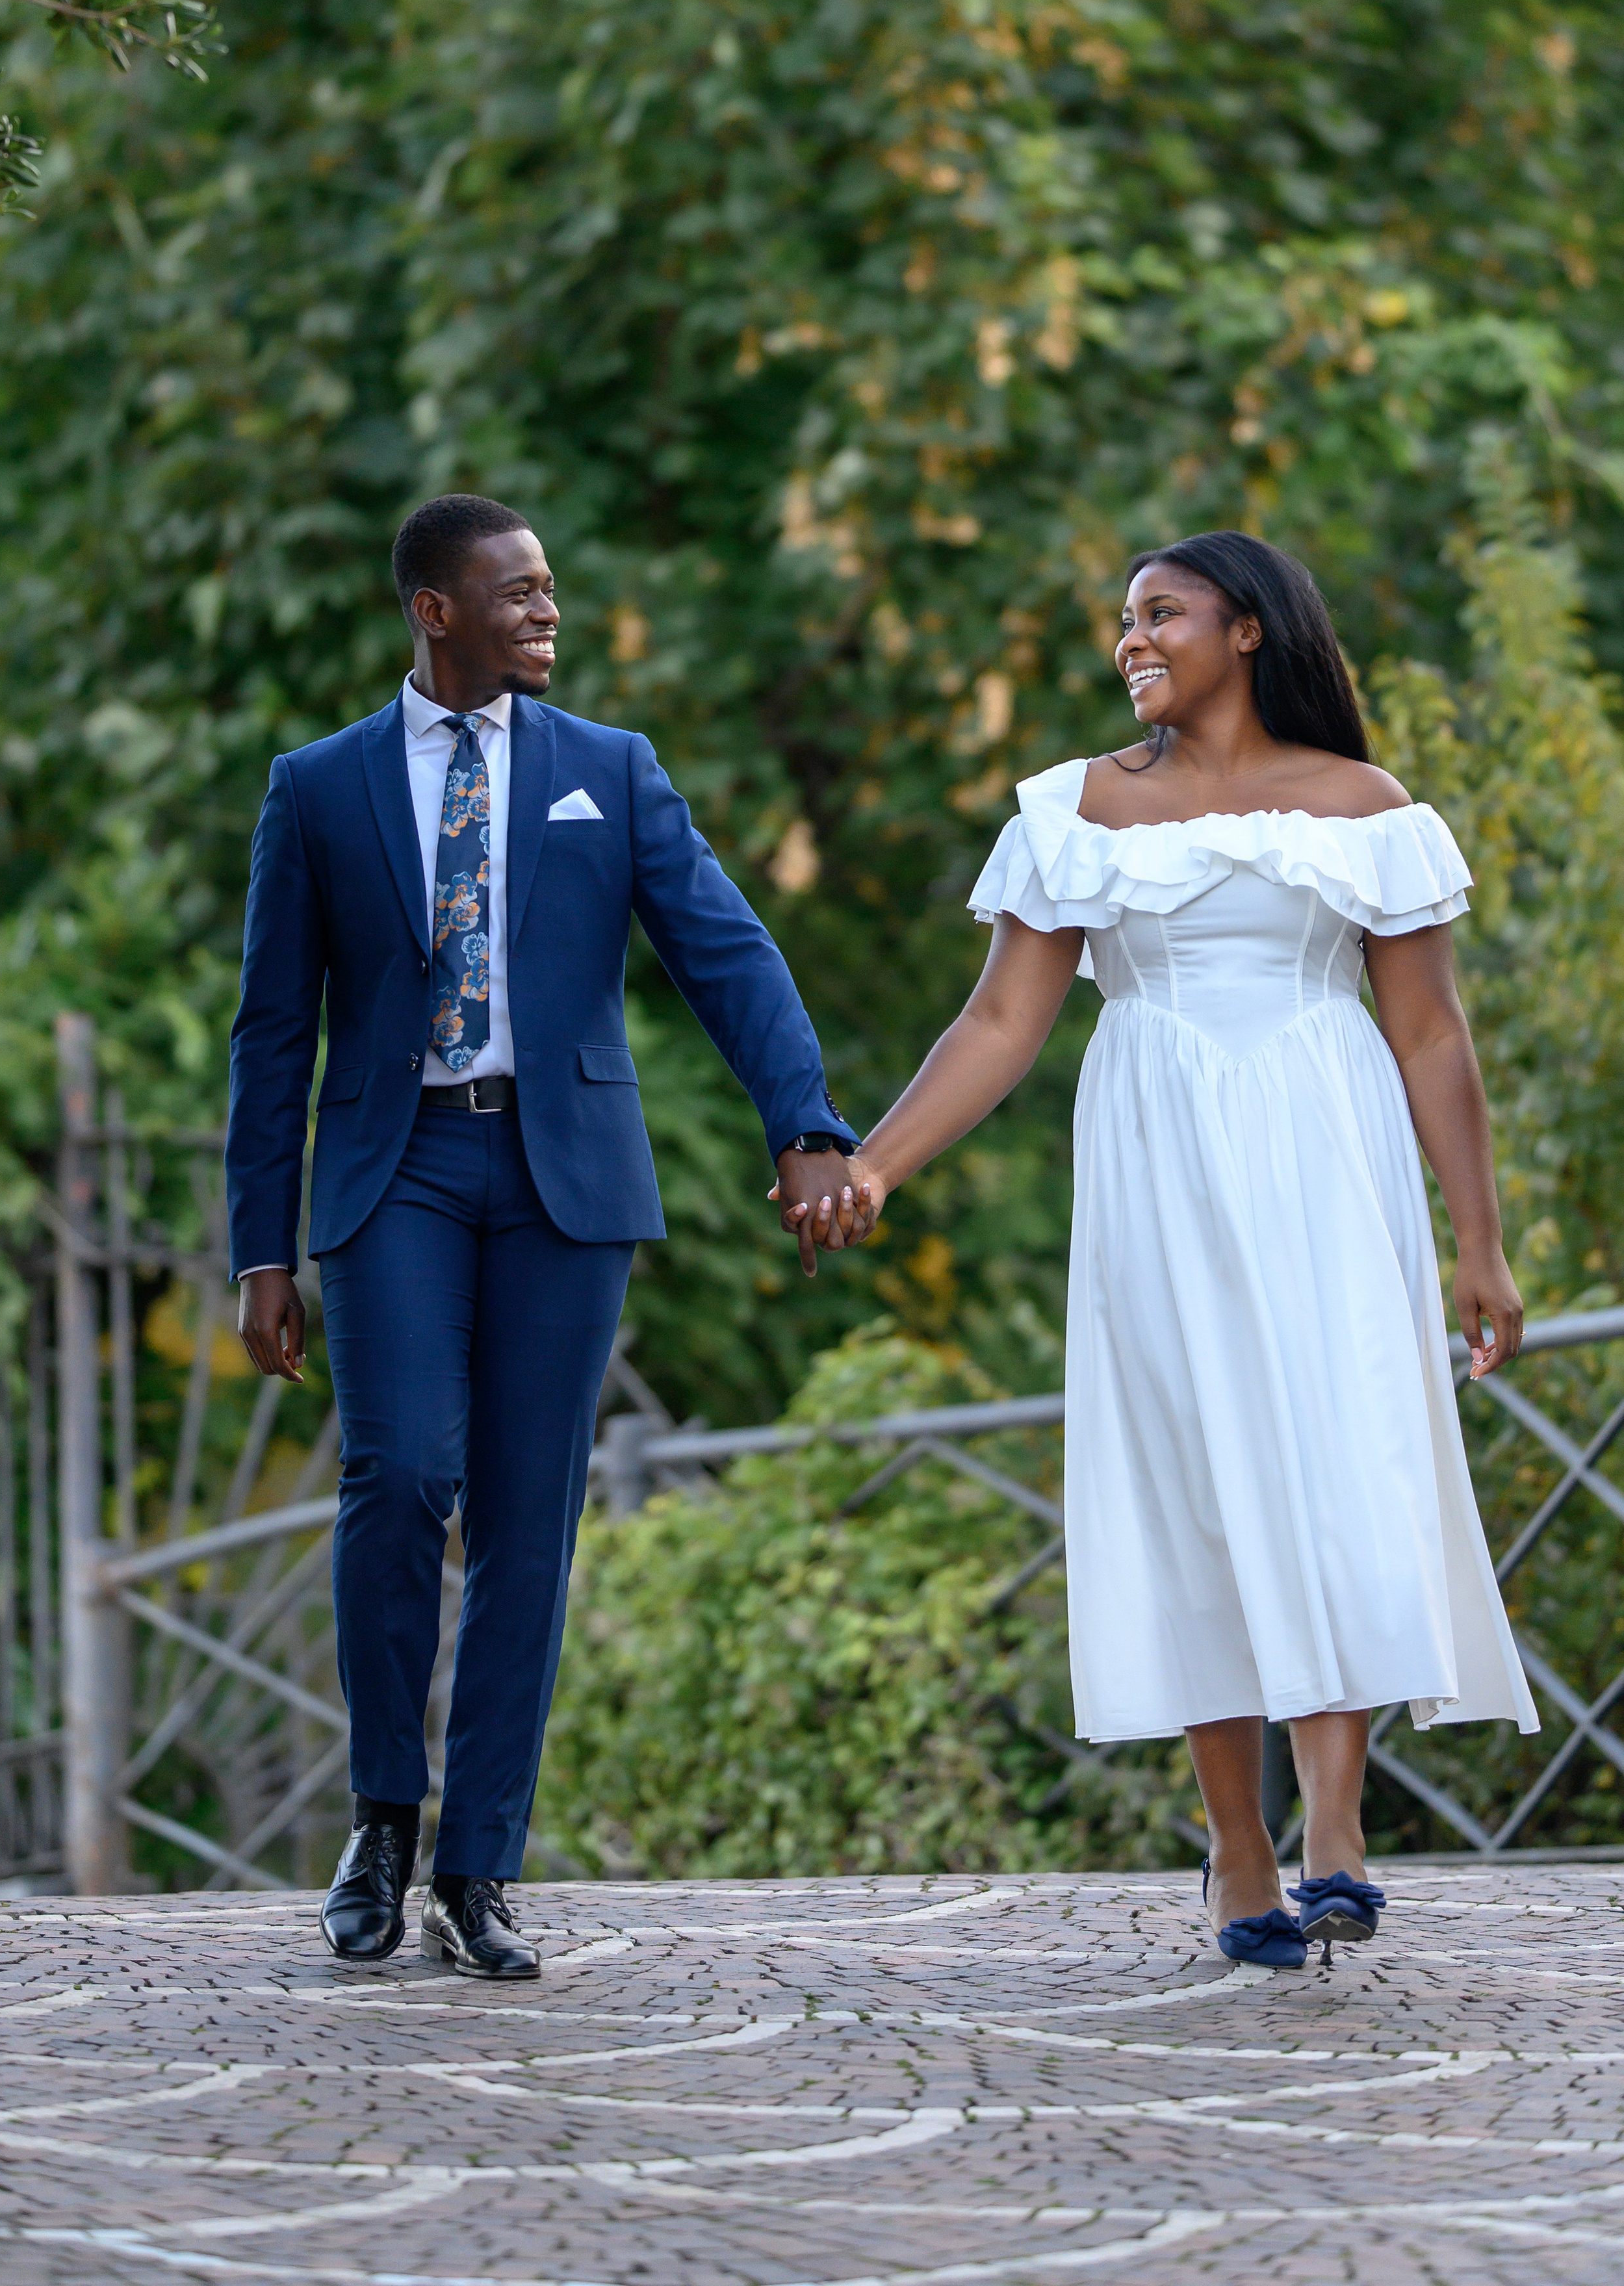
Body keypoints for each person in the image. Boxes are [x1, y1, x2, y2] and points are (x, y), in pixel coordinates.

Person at [790, 530, 1538, 1968]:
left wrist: (1478, 1242)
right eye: (1121, 620)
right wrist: (873, 1162)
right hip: (1156, 1161)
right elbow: (998, 1026)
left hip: (1329, 1155)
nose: (1129, 639)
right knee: (1183, 1476)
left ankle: (1331, 1821)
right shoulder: (1070, 813)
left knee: (1337, 1463)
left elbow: (1430, 1033)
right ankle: (1235, 1844)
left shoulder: (1360, 806)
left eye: (1161, 613)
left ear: (1246, 629)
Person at [227, 493, 857, 1973]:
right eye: (514, 593)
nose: (545, 613)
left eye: (549, 590)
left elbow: (726, 950)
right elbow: (272, 1036)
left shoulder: (607, 772)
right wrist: (263, 1247)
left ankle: (478, 1866)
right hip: (399, 1173)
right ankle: (385, 1813)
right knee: (400, 1476)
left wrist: (806, 1120)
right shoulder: (316, 788)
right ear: (432, 609)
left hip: (564, 1175)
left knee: (529, 1515)